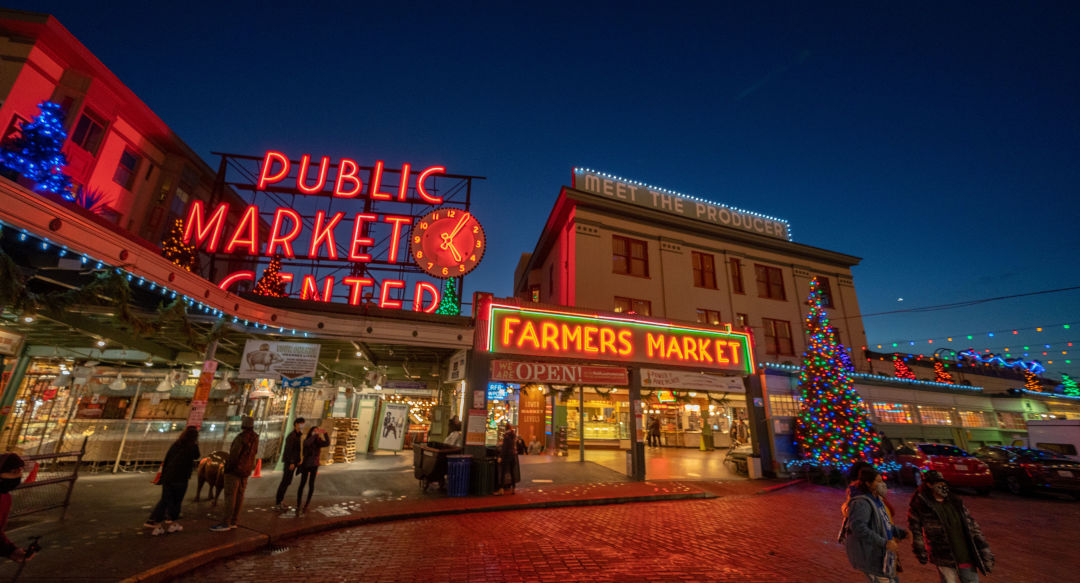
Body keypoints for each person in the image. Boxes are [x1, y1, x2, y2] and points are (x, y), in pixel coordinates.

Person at [908, 470, 994, 583]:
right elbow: (915, 530)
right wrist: (920, 550)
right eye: (939, 483)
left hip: (965, 554)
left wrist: (984, 549)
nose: (943, 486)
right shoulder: (921, 505)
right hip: (943, 555)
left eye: (944, 483)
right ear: (929, 484)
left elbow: (972, 526)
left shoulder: (955, 502)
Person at [840, 466, 908, 583]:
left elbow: (883, 524)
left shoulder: (877, 500)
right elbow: (859, 528)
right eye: (878, 481)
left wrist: (902, 533)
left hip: (881, 555)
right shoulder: (862, 503)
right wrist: (885, 543)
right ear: (868, 483)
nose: (883, 484)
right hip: (871, 556)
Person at [145, 426, 200, 535]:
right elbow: (197, 456)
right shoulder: (192, 446)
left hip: (168, 477)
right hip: (181, 478)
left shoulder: (176, 444)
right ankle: (173, 523)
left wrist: (162, 476)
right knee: (177, 501)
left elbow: (167, 459)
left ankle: (156, 523)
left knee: (165, 500)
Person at [211, 415, 259, 532]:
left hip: (234, 471)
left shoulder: (240, 438)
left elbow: (233, 456)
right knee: (239, 497)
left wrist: (227, 468)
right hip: (246, 471)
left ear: (243, 425)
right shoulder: (255, 438)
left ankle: (225, 523)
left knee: (230, 496)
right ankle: (234, 521)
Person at [295, 423, 330, 516]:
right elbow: (307, 443)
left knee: (311, 484)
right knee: (302, 484)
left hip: (314, 465)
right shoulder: (308, 439)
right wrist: (314, 435)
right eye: (314, 430)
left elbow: (327, 443)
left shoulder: (318, 441)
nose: (316, 432)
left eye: (317, 431)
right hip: (306, 464)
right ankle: (298, 503)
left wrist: (325, 433)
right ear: (311, 432)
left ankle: (307, 503)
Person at [0, 453, 28, 562]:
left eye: (20, 471)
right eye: (13, 472)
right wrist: (9, 550)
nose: (19, 476)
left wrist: (12, 551)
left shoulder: (5, 497)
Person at [274, 417, 305, 511]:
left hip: (295, 462)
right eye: (301, 423)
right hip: (290, 463)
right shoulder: (291, 436)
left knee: (288, 481)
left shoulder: (299, 435)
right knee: (285, 481)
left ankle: (280, 501)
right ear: (296, 424)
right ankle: (278, 502)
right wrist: (291, 462)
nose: (302, 425)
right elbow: (288, 450)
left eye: (303, 423)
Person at [495, 423, 520, 495]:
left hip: (506, 457)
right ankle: (513, 488)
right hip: (513, 456)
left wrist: (500, 457)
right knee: (512, 472)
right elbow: (513, 446)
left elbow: (504, 448)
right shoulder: (513, 435)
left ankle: (501, 489)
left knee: (503, 472)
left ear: (505, 429)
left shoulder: (506, 436)